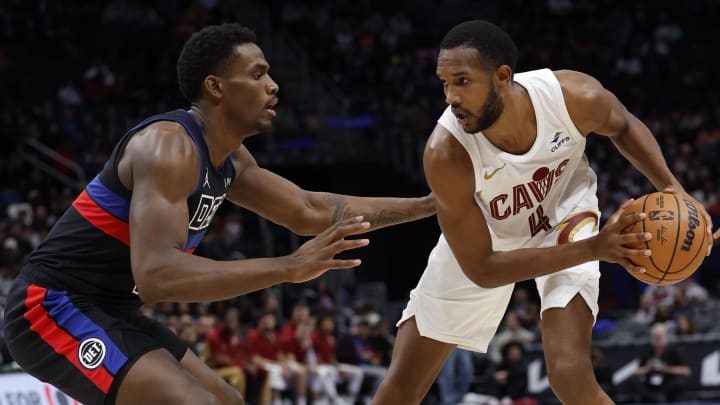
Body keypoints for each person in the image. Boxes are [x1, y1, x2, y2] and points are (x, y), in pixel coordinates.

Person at [2, 23, 435, 405]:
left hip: (112, 307)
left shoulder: (231, 159)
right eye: (258, 73)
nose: (274, 86)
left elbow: (308, 209)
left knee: (225, 399)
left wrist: (430, 206)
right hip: (50, 306)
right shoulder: (168, 148)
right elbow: (156, 275)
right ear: (215, 87)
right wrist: (286, 267)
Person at [372, 20, 717, 405]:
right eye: (444, 83)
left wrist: (677, 192)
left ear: (501, 76)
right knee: (401, 387)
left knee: (569, 374)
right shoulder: (446, 155)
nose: (450, 96)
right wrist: (593, 250)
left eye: (462, 81)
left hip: (564, 215)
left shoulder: (572, 97)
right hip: (486, 240)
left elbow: (622, 125)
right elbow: (483, 268)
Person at [630, 323, 691, 402]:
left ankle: (661, 397)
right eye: (655, 337)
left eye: (660, 337)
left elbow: (686, 370)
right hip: (651, 386)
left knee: (680, 381)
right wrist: (647, 368)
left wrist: (667, 369)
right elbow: (636, 371)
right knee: (633, 379)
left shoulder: (673, 352)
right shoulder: (648, 353)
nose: (657, 340)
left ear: (665, 337)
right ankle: (653, 397)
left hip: (667, 385)